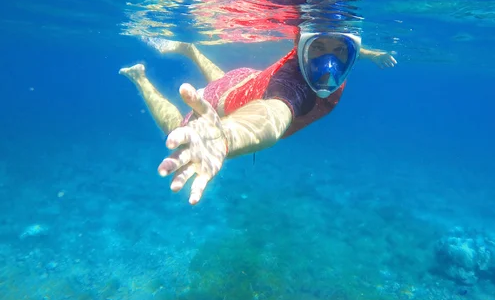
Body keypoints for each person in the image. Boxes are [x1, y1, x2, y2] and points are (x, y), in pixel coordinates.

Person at [119, 32, 396, 204]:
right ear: (301, 49)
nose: (329, 65)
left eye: (339, 51)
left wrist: (371, 55)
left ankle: (192, 50)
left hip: (245, 80)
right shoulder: (293, 84)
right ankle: (140, 77)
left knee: (224, 80)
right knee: (176, 131)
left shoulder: (337, 53)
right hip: (225, 101)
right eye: (318, 49)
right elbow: (272, 113)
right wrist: (226, 137)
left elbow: (342, 44)